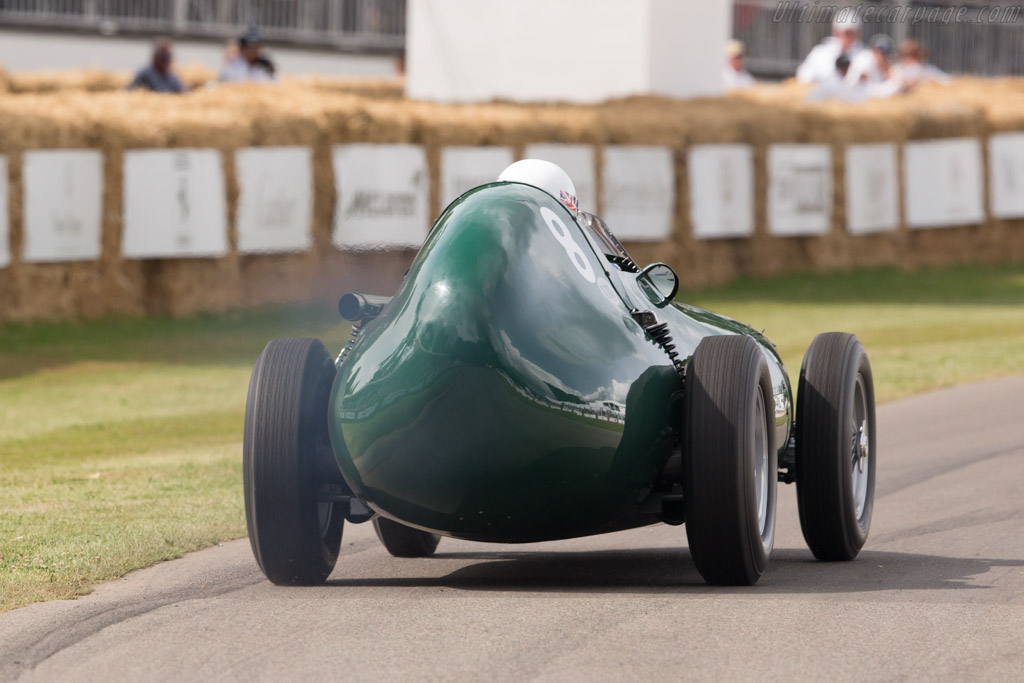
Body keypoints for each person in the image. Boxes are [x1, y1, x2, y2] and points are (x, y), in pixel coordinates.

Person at [796, 14, 865, 85]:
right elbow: (804, 74)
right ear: (835, 32)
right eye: (842, 33)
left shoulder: (864, 55)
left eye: (850, 34)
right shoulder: (820, 53)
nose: (845, 38)